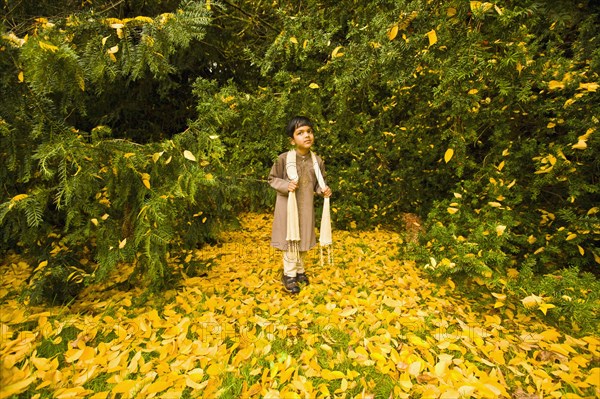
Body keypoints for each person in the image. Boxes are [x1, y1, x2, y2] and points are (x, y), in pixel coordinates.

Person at [268, 116, 332, 294]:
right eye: (300, 133)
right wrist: (285, 185)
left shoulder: (317, 161)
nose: (307, 136)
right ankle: (289, 275)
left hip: (305, 207)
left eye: (309, 131)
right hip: (287, 207)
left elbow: (319, 183)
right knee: (290, 240)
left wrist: (323, 190)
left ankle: (299, 270)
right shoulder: (282, 159)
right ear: (292, 140)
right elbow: (272, 179)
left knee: (303, 239)